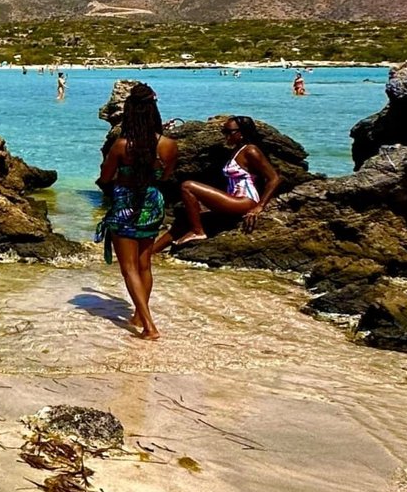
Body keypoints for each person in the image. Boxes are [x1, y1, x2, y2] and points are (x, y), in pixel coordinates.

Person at [95, 81, 179, 341]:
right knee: (144, 264)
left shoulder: (121, 146)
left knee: (128, 267)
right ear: (154, 112)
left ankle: (149, 326)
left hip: (126, 205)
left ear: (130, 114)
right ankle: (138, 314)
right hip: (153, 202)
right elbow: (167, 175)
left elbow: (105, 178)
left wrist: (118, 180)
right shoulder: (168, 144)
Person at [172, 116, 280, 244]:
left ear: (242, 133)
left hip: (245, 201)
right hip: (233, 199)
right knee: (183, 222)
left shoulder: (251, 150)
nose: (225, 135)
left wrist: (260, 207)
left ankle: (198, 232)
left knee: (187, 186)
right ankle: (151, 253)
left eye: (229, 132)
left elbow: (274, 178)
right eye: (224, 132)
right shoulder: (236, 150)